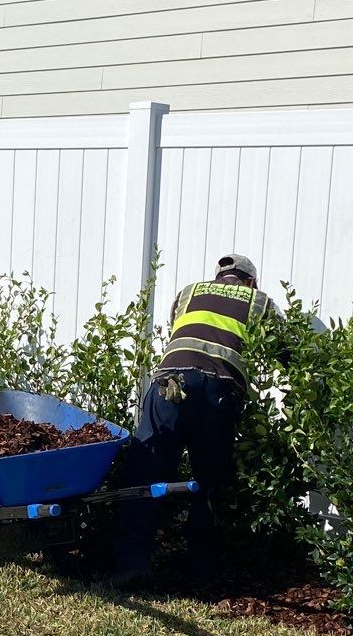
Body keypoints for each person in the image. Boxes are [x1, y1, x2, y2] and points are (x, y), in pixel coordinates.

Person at [111, 251, 277, 588]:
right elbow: (281, 350)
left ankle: (131, 565)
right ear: (250, 281)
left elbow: (182, 331)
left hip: (170, 384)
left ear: (218, 277)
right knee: (210, 479)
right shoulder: (260, 302)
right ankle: (201, 574)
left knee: (147, 471)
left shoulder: (189, 292)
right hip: (218, 391)